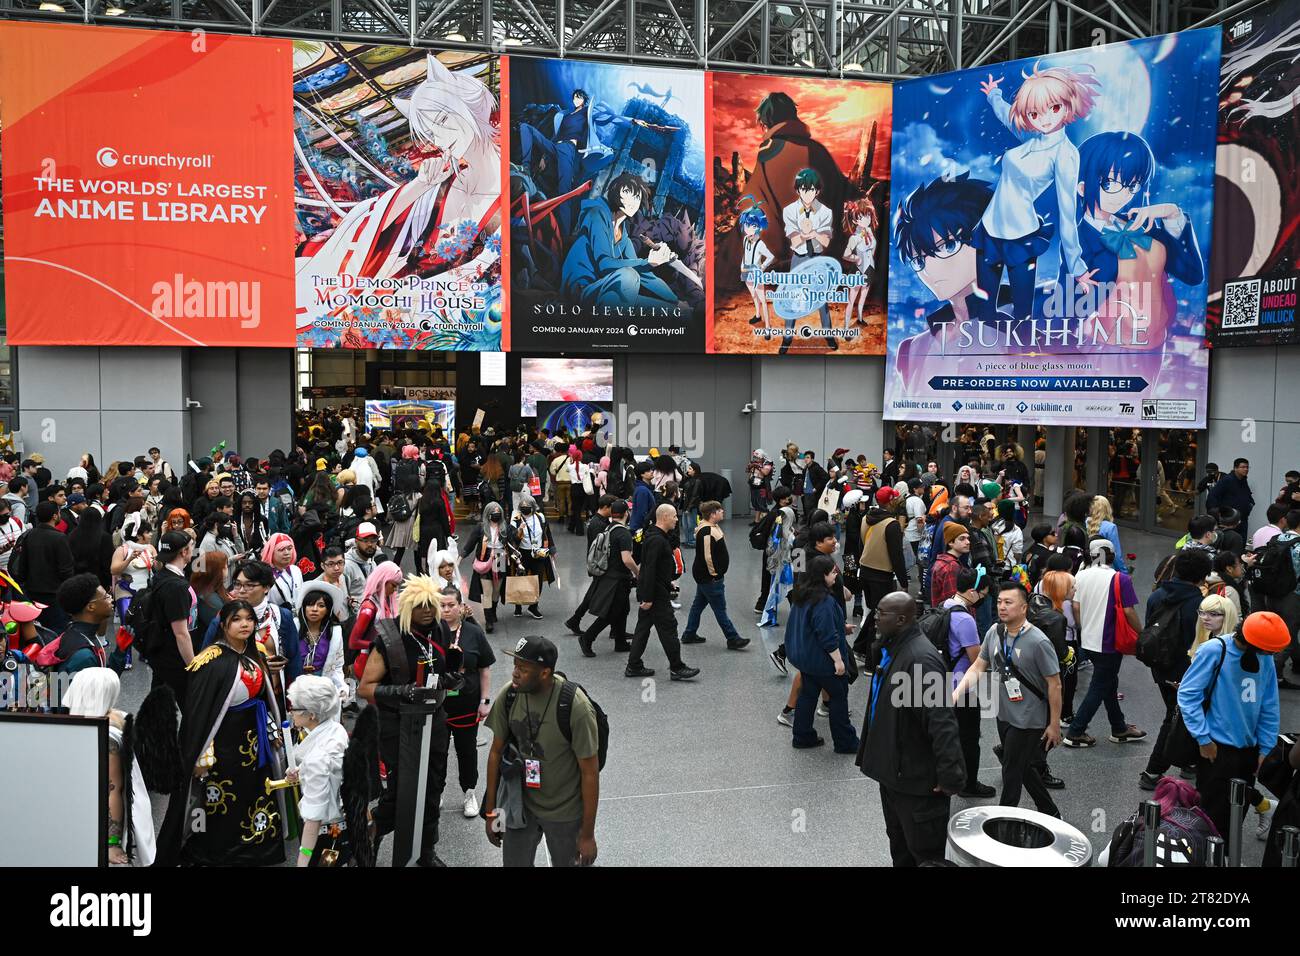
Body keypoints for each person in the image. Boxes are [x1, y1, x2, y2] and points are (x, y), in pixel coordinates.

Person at [156, 599, 288, 866]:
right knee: (222, 798)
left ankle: (257, 847)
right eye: (237, 619)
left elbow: (265, 700)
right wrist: (201, 750)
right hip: (222, 744)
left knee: (255, 792)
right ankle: (218, 850)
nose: (245, 625)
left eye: (249, 619)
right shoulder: (209, 661)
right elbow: (198, 714)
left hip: (254, 741)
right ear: (224, 624)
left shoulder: (256, 654)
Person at [860, 591, 966, 865]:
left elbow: (942, 723)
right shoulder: (894, 649)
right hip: (895, 775)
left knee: (925, 854)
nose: (875, 617)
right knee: (900, 846)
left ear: (902, 619)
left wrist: (949, 775)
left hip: (917, 783)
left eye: (882, 613)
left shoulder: (921, 659)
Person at [357, 575, 455, 867]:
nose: (426, 611)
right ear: (407, 606)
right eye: (420, 605)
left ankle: (426, 852)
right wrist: (403, 692)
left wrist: (449, 679)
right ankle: (368, 835)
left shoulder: (440, 630)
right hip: (398, 726)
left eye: (431, 605)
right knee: (401, 795)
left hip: (434, 723)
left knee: (433, 788)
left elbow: (439, 669)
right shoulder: (389, 637)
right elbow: (365, 688)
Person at [482, 635, 600, 867]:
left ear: (545, 673)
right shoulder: (510, 695)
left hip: (564, 809)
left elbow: (590, 772)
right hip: (520, 804)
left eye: (523, 669)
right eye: (515, 666)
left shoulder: (575, 705)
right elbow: (495, 753)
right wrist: (491, 812)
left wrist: (587, 835)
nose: (515, 673)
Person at [953, 583, 1062, 817]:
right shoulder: (995, 631)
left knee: (1011, 770)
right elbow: (978, 666)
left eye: (1008, 603)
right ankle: (1050, 811)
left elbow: (1055, 684)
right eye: (1000, 602)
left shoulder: (1038, 642)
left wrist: (1054, 725)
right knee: (1021, 766)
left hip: (1029, 717)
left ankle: (1003, 820)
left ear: (1023, 608)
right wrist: (956, 692)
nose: (1002, 607)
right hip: (1004, 713)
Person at [1179, 611, 1283, 837]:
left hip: (1249, 748)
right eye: (1270, 650)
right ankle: (1209, 857)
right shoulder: (1215, 651)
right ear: (1255, 643)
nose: (1272, 655)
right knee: (1212, 811)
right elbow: (1188, 695)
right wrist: (1203, 738)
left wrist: (1266, 748)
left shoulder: (1264, 659)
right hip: (1217, 746)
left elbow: (1269, 705)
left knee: (1238, 810)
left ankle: (1226, 855)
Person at [64, 668, 156, 866]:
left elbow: (112, 790)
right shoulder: (101, 721)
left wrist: (111, 843)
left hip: (101, 824)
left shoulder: (107, 736)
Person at [1062, 538, 1147, 748]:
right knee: (1099, 686)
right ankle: (1076, 731)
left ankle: (1119, 728)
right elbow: (1128, 611)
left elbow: (1076, 608)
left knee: (1108, 682)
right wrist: (1142, 633)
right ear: (1110, 554)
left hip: (1088, 640)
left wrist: (1085, 628)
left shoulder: (1080, 576)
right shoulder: (1120, 578)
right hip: (1109, 642)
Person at [1140, 548, 1213, 790]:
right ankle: (1152, 771)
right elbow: (1198, 641)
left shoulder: (1157, 595)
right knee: (1174, 717)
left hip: (1160, 667)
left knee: (1177, 712)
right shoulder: (1198, 603)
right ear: (1202, 576)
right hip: (1185, 670)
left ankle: (1188, 761)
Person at [785, 554, 859, 753]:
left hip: (807, 660)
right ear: (822, 575)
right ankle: (846, 742)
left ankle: (802, 736)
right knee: (838, 698)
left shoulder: (802, 594)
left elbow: (812, 625)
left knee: (807, 696)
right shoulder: (824, 601)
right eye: (833, 572)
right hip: (824, 661)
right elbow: (825, 634)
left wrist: (841, 627)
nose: (836, 575)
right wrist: (838, 661)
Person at [438, 585, 494, 819]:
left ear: (461, 606)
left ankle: (469, 791)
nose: (447, 609)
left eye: (451, 605)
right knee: (437, 751)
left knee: (466, 750)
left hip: (467, 702)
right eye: (442, 605)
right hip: (438, 704)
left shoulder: (473, 632)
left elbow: (484, 669)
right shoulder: (432, 631)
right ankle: (436, 792)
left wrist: (485, 700)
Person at [284, 675, 352, 867]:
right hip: (345, 823)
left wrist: (303, 859)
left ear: (311, 714)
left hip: (327, 834)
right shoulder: (336, 730)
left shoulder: (317, 760)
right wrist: (301, 770)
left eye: (295, 708)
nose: (291, 712)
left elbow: (313, 819)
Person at [626, 504, 699, 681]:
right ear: (665, 517)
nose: (676, 519)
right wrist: (649, 597)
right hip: (656, 595)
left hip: (656, 589)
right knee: (669, 628)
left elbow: (655, 568)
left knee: (643, 629)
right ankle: (677, 667)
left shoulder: (654, 536)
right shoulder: (657, 540)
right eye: (674, 516)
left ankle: (633, 665)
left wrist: (668, 584)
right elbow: (649, 569)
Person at [944, 566, 996, 798]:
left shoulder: (946, 605)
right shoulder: (965, 619)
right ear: (973, 592)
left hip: (943, 679)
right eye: (983, 594)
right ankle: (968, 784)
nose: (983, 599)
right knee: (969, 738)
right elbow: (977, 659)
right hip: (962, 686)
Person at [680, 500, 749, 650]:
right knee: (720, 608)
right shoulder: (706, 531)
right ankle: (732, 638)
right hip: (709, 577)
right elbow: (707, 556)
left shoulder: (711, 527)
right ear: (712, 514)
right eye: (720, 510)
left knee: (698, 605)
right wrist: (715, 574)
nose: (723, 511)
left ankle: (689, 634)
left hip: (705, 576)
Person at [855, 488, 910, 655]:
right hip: (881, 574)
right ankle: (871, 657)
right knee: (880, 616)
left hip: (864, 569)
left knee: (874, 612)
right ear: (890, 502)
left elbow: (860, 544)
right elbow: (896, 555)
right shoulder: (891, 524)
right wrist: (903, 581)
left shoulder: (866, 518)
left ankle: (859, 648)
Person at [581, 499, 637, 656]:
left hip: (609, 575)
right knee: (612, 613)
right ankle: (587, 637)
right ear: (626, 513)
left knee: (623, 610)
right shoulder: (623, 533)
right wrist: (638, 571)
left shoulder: (609, 528)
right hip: (618, 579)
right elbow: (626, 559)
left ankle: (620, 641)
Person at [21, 500, 76, 631]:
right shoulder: (59, 538)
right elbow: (66, 570)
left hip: (31, 592)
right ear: (55, 516)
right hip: (54, 594)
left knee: (38, 631)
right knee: (56, 633)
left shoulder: (29, 535)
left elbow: (22, 565)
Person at [294, 579, 349, 703]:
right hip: (296, 686)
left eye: (321, 606)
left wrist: (341, 687)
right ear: (303, 608)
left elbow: (338, 664)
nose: (314, 609)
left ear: (328, 610)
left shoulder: (335, 632)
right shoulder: (294, 626)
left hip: (323, 686)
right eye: (310, 605)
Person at [509, 495, 554, 620]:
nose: (525, 509)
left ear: (533, 507)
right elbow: (512, 537)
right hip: (522, 554)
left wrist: (552, 549)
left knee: (538, 580)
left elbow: (547, 533)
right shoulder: (516, 519)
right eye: (523, 507)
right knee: (520, 579)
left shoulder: (540, 517)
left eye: (528, 507)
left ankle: (534, 606)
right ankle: (518, 606)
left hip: (538, 553)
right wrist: (519, 530)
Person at [341, 522, 383, 611]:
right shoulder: (346, 566)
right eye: (365, 540)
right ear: (356, 541)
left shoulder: (370, 559)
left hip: (371, 613)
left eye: (373, 540)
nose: (370, 544)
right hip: (355, 618)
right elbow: (342, 599)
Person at [1206, 458, 1255, 530]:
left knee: (1241, 540)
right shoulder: (1227, 480)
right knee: (1232, 539)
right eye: (1243, 467)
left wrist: (1250, 504)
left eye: (1247, 467)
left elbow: (1247, 494)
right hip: (1230, 520)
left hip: (1242, 519)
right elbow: (1213, 495)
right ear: (1235, 468)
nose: (1246, 469)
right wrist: (1217, 515)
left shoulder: (1243, 480)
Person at [929, 523, 971, 607]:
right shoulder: (951, 566)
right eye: (962, 539)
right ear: (951, 542)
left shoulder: (943, 561)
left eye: (968, 538)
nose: (968, 542)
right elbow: (954, 603)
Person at [1190, 593, 1240, 658]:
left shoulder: (1231, 646)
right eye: (1202, 613)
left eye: (1213, 614)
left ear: (1227, 616)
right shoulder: (1209, 637)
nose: (1205, 618)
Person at [263, 533, 303, 610]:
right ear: (271, 552)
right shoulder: (265, 574)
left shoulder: (295, 570)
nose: (286, 553)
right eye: (281, 549)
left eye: (289, 548)